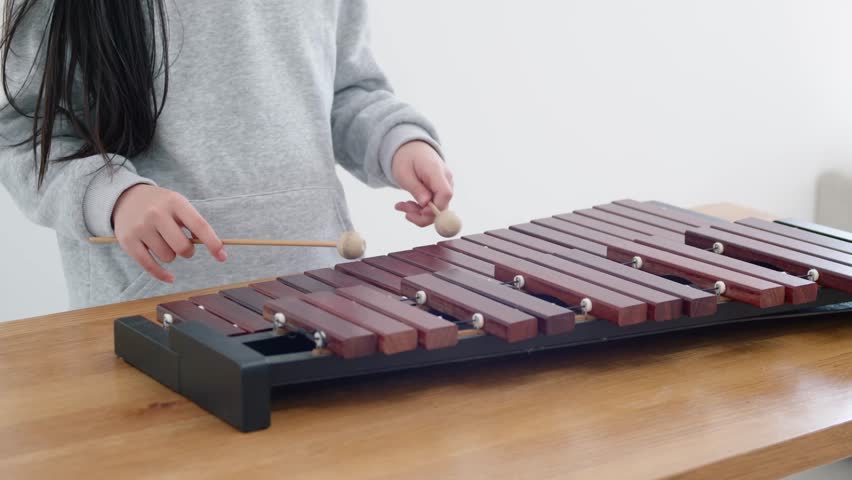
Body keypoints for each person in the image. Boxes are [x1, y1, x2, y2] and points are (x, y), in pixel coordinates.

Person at [0, 0, 454, 308]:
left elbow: (344, 90)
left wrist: (397, 141)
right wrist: (114, 198)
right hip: (144, 308)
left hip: (318, 293)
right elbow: (22, 131)